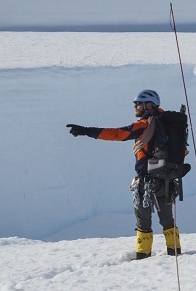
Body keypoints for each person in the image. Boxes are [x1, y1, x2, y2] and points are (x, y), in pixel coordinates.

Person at [67, 89, 182, 259]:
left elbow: (118, 134)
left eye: (138, 103)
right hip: (166, 179)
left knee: (143, 221)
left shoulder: (144, 125)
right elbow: (183, 151)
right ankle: (175, 254)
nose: (135, 106)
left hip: (146, 180)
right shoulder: (170, 125)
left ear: (149, 105)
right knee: (167, 219)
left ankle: (143, 257)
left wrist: (87, 131)